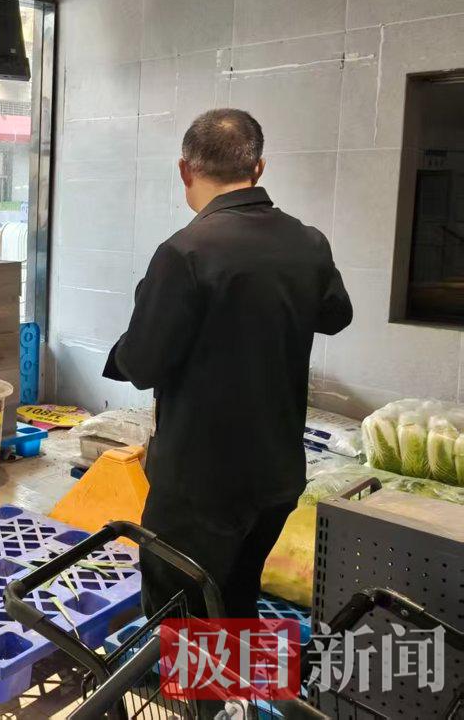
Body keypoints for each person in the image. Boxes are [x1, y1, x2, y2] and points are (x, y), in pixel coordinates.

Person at [103, 109, 353, 622]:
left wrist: (124, 350)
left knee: (182, 613)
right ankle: (231, 675)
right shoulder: (308, 242)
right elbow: (336, 316)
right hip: (276, 475)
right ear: (258, 168)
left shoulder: (185, 251)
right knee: (237, 599)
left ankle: (196, 679)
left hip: (201, 484)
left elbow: (144, 363)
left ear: (185, 169)